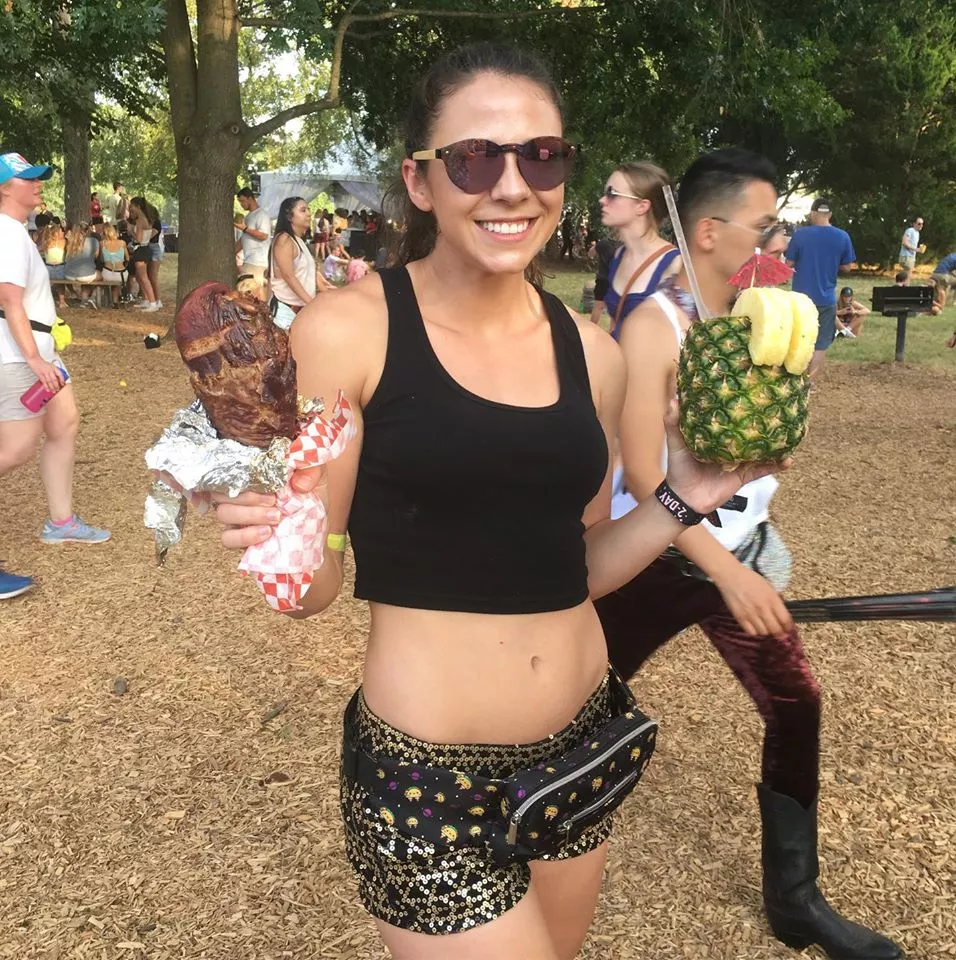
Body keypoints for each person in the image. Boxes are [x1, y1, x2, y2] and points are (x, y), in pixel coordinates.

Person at [209, 44, 786, 960]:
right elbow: (316, 585)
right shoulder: (348, 333)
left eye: (542, 157)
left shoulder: (593, 354)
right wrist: (280, 541)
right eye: (477, 158)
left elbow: (578, 569)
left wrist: (687, 495)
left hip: (581, 744)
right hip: (425, 778)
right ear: (423, 181)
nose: (512, 186)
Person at [595, 147, 901, 960]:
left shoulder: (760, 314)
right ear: (708, 230)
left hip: (742, 549)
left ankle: (796, 901)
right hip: (658, 562)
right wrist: (725, 571)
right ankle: (502, 822)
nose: (781, 238)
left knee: (797, 705)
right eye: (766, 225)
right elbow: (644, 474)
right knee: (573, 696)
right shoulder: (653, 328)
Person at [0, 152, 110, 599]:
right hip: (18, 357)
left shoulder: (18, 233)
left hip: (40, 352)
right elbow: (9, 301)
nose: (38, 184)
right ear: (6, 188)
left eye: (38, 177)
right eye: (28, 179)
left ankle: (61, 522)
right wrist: (34, 359)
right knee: (17, 448)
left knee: (64, 424)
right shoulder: (6, 233)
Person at [598, 162, 680, 340]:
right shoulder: (618, 256)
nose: (602, 200)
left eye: (612, 194)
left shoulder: (674, 265)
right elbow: (616, 323)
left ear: (642, 206)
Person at [785, 198, 857, 377]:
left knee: (797, 339)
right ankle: (811, 384)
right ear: (830, 214)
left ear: (813, 213)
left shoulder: (800, 235)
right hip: (826, 298)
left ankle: (794, 379)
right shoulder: (842, 236)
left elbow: (789, 262)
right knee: (821, 343)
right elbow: (848, 266)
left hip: (800, 298)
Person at [267, 196, 319, 330]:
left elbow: (308, 274)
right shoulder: (284, 240)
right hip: (286, 311)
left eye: (308, 209)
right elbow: (288, 275)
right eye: (303, 210)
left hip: (301, 308)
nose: (308, 213)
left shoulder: (297, 240)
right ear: (289, 216)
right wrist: (311, 303)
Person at [127, 196, 160, 312]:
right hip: (145, 249)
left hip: (142, 248)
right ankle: (147, 300)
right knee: (139, 277)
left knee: (143, 277)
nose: (130, 209)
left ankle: (152, 302)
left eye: (132, 207)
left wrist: (131, 231)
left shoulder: (140, 220)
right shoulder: (146, 218)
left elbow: (140, 239)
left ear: (138, 207)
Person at [235, 187, 272, 291]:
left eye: (243, 201)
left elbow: (264, 236)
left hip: (258, 263)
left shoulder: (262, 215)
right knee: (243, 293)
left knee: (250, 295)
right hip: (248, 261)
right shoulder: (248, 217)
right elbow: (244, 239)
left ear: (250, 198)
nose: (241, 204)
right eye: (239, 202)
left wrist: (245, 228)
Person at [63, 221, 101, 309]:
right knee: (99, 276)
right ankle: (92, 296)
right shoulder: (93, 241)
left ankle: (84, 300)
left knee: (86, 275)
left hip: (69, 275)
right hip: (85, 275)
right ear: (88, 231)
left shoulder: (71, 242)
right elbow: (96, 256)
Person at [588, 235, 619, 327]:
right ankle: (612, 335)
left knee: (598, 306)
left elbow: (591, 254)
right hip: (618, 280)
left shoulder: (603, 243)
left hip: (603, 279)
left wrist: (595, 246)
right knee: (615, 309)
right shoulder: (626, 245)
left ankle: (592, 328)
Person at [99, 223, 128, 306]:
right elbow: (127, 258)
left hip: (107, 274)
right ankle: (115, 301)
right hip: (121, 275)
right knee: (116, 282)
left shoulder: (102, 243)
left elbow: (101, 259)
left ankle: (107, 299)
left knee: (104, 277)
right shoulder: (122, 243)